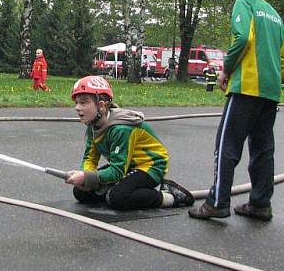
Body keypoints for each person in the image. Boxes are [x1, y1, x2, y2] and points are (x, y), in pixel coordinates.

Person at [189, 0, 284, 222]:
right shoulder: (275, 16)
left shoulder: (243, 4)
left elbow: (243, 37)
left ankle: (217, 202)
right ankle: (260, 203)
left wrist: (227, 70)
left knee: (227, 146)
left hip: (244, 90)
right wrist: (271, 76)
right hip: (269, 93)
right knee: (262, 149)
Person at [64, 75, 194, 210]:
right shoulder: (93, 126)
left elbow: (117, 171)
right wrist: (86, 177)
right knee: (81, 192)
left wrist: (89, 178)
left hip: (150, 166)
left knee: (118, 197)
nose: (77, 107)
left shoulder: (121, 129)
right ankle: (117, 192)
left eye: (83, 102)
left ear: (101, 106)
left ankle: (171, 196)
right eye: (76, 102)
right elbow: (90, 158)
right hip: (127, 165)